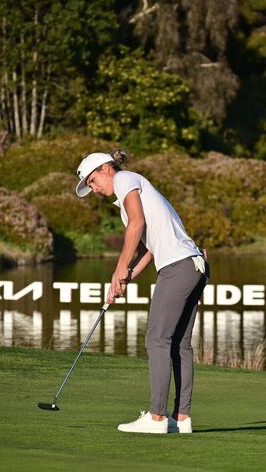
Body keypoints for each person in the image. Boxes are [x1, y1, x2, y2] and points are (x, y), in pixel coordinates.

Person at [75, 150, 209, 434]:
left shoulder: (125, 179)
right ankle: (181, 419)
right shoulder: (134, 188)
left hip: (177, 266)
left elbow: (137, 225)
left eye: (93, 180)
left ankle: (157, 417)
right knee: (178, 345)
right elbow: (150, 244)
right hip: (195, 266)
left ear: (105, 168)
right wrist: (127, 276)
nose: (95, 189)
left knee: (157, 339)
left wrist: (119, 268)